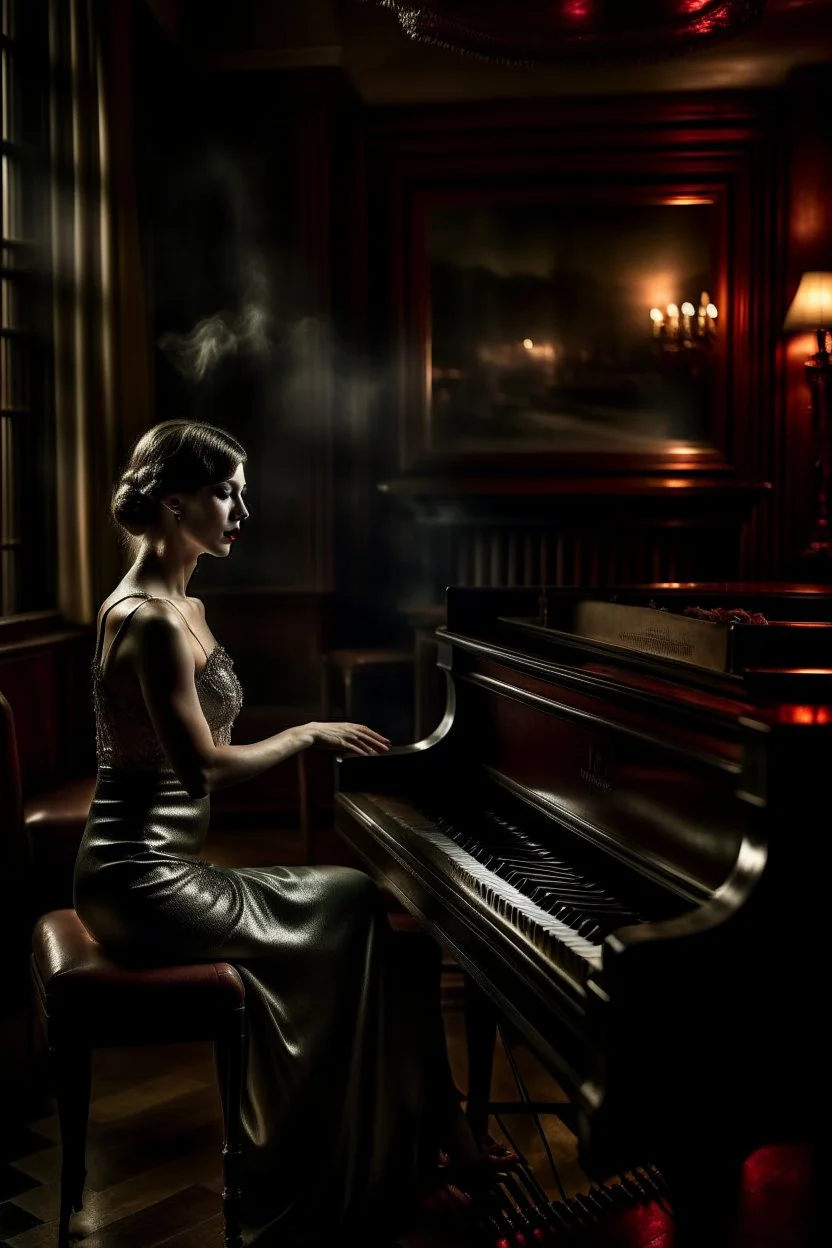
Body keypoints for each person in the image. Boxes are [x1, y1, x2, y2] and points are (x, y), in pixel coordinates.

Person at [72, 419, 505, 1248]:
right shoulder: (150, 620)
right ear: (174, 501)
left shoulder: (182, 604)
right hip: (137, 882)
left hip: (163, 869)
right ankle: (399, 1158)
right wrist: (306, 733)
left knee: (401, 950)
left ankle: (435, 1147)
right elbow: (203, 770)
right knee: (351, 901)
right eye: (226, 491)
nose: (243, 508)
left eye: (240, 489)